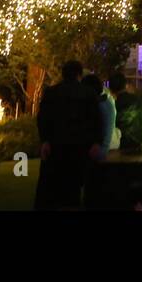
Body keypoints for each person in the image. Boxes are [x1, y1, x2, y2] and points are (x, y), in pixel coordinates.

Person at [35, 60, 102, 209]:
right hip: (79, 147)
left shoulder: (52, 93)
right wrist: (96, 142)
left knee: (50, 188)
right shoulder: (88, 93)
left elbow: (43, 118)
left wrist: (45, 140)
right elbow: (95, 120)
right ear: (79, 74)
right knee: (72, 190)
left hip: (56, 145)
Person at [110, 72, 142, 155]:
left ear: (111, 89)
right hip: (138, 141)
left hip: (120, 143)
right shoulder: (137, 100)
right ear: (125, 85)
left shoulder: (112, 105)